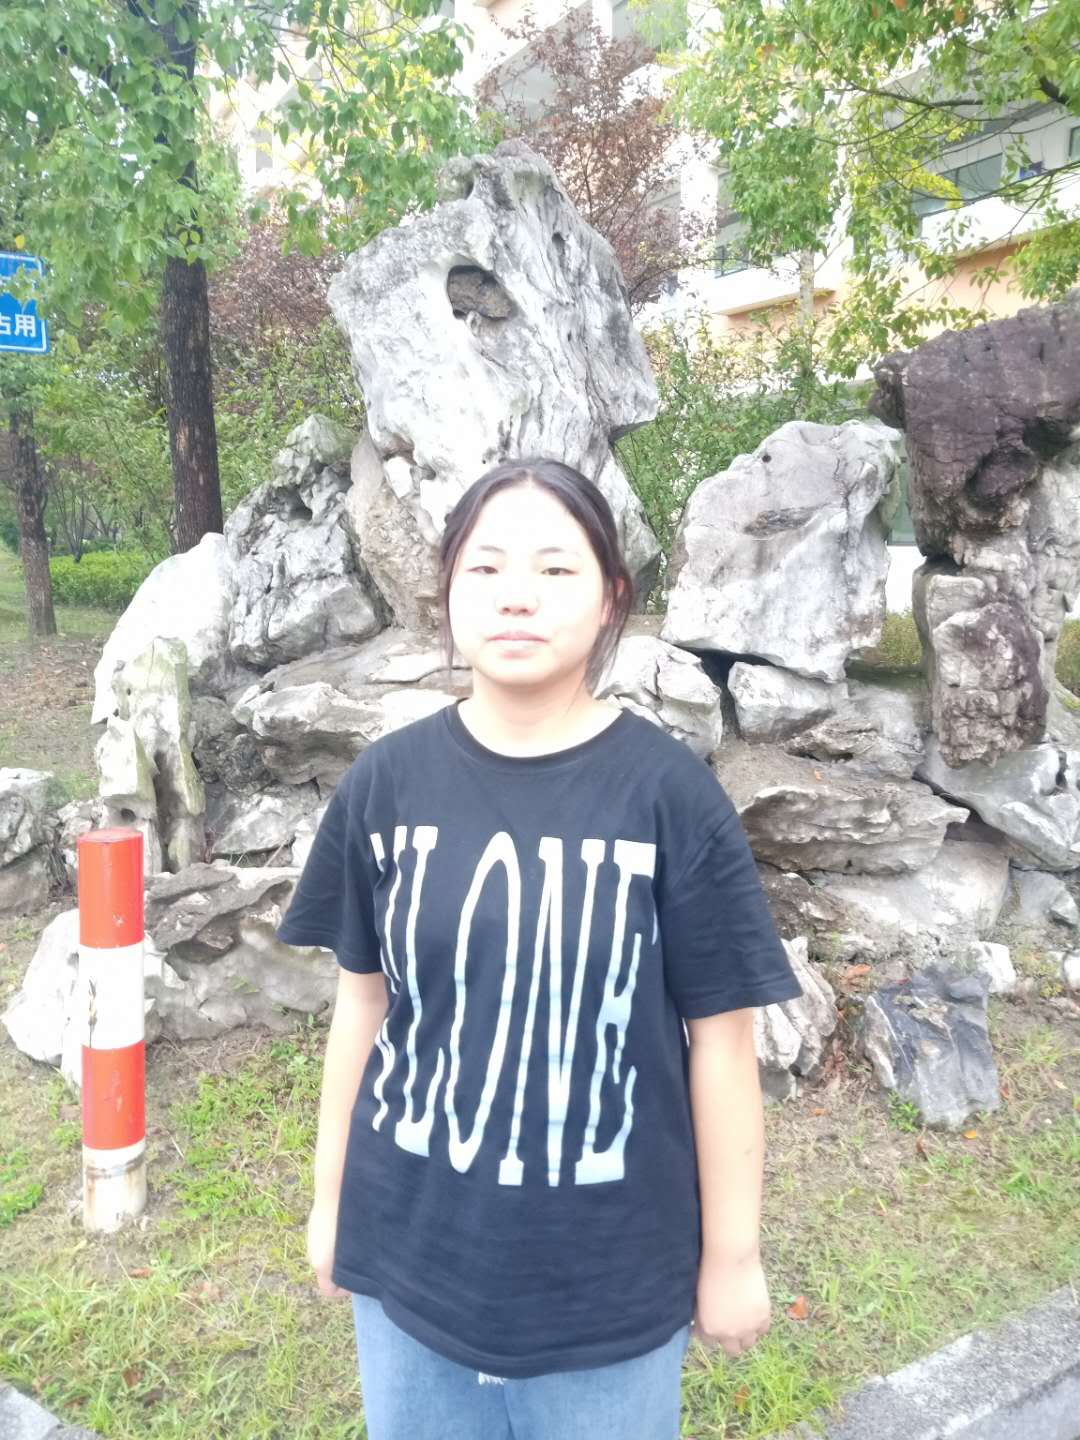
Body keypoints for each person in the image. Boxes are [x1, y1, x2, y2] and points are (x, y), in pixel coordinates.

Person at [276, 457, 801, 1440]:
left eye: (556, 569)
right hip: (410, 1258)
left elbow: (723, 1044)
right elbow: (362, 1006)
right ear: (447, 591)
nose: (516, 596)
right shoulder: (385, 785)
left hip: (608, 1279)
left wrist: (733, 1258)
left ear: (611, 599)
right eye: (485, 568)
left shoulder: (671, 798)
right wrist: (329, 1202)